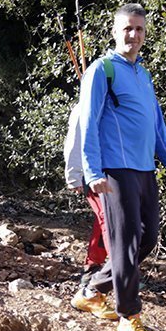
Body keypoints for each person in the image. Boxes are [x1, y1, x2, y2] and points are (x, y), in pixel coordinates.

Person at [73, 3, 166, 331]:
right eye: (127, 28)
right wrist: (93, 171)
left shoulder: (143, 75)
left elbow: (157, 126)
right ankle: (128, 316)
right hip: (114, 170)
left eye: (139, 29)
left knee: (148, 238)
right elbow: (88, 125)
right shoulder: (102, 70)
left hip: (144, 170)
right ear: (115, 31)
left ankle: (92, 288)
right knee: (124, 245)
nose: (134, 35)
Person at [64, 104, 109, 286]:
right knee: (107, 219)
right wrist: (74, 175)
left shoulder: (112, 105)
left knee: (106, 222)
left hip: (114, 173)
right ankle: (100, 270)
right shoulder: (85, 106)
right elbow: (75, 140)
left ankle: (100, 266)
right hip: (92, 175)